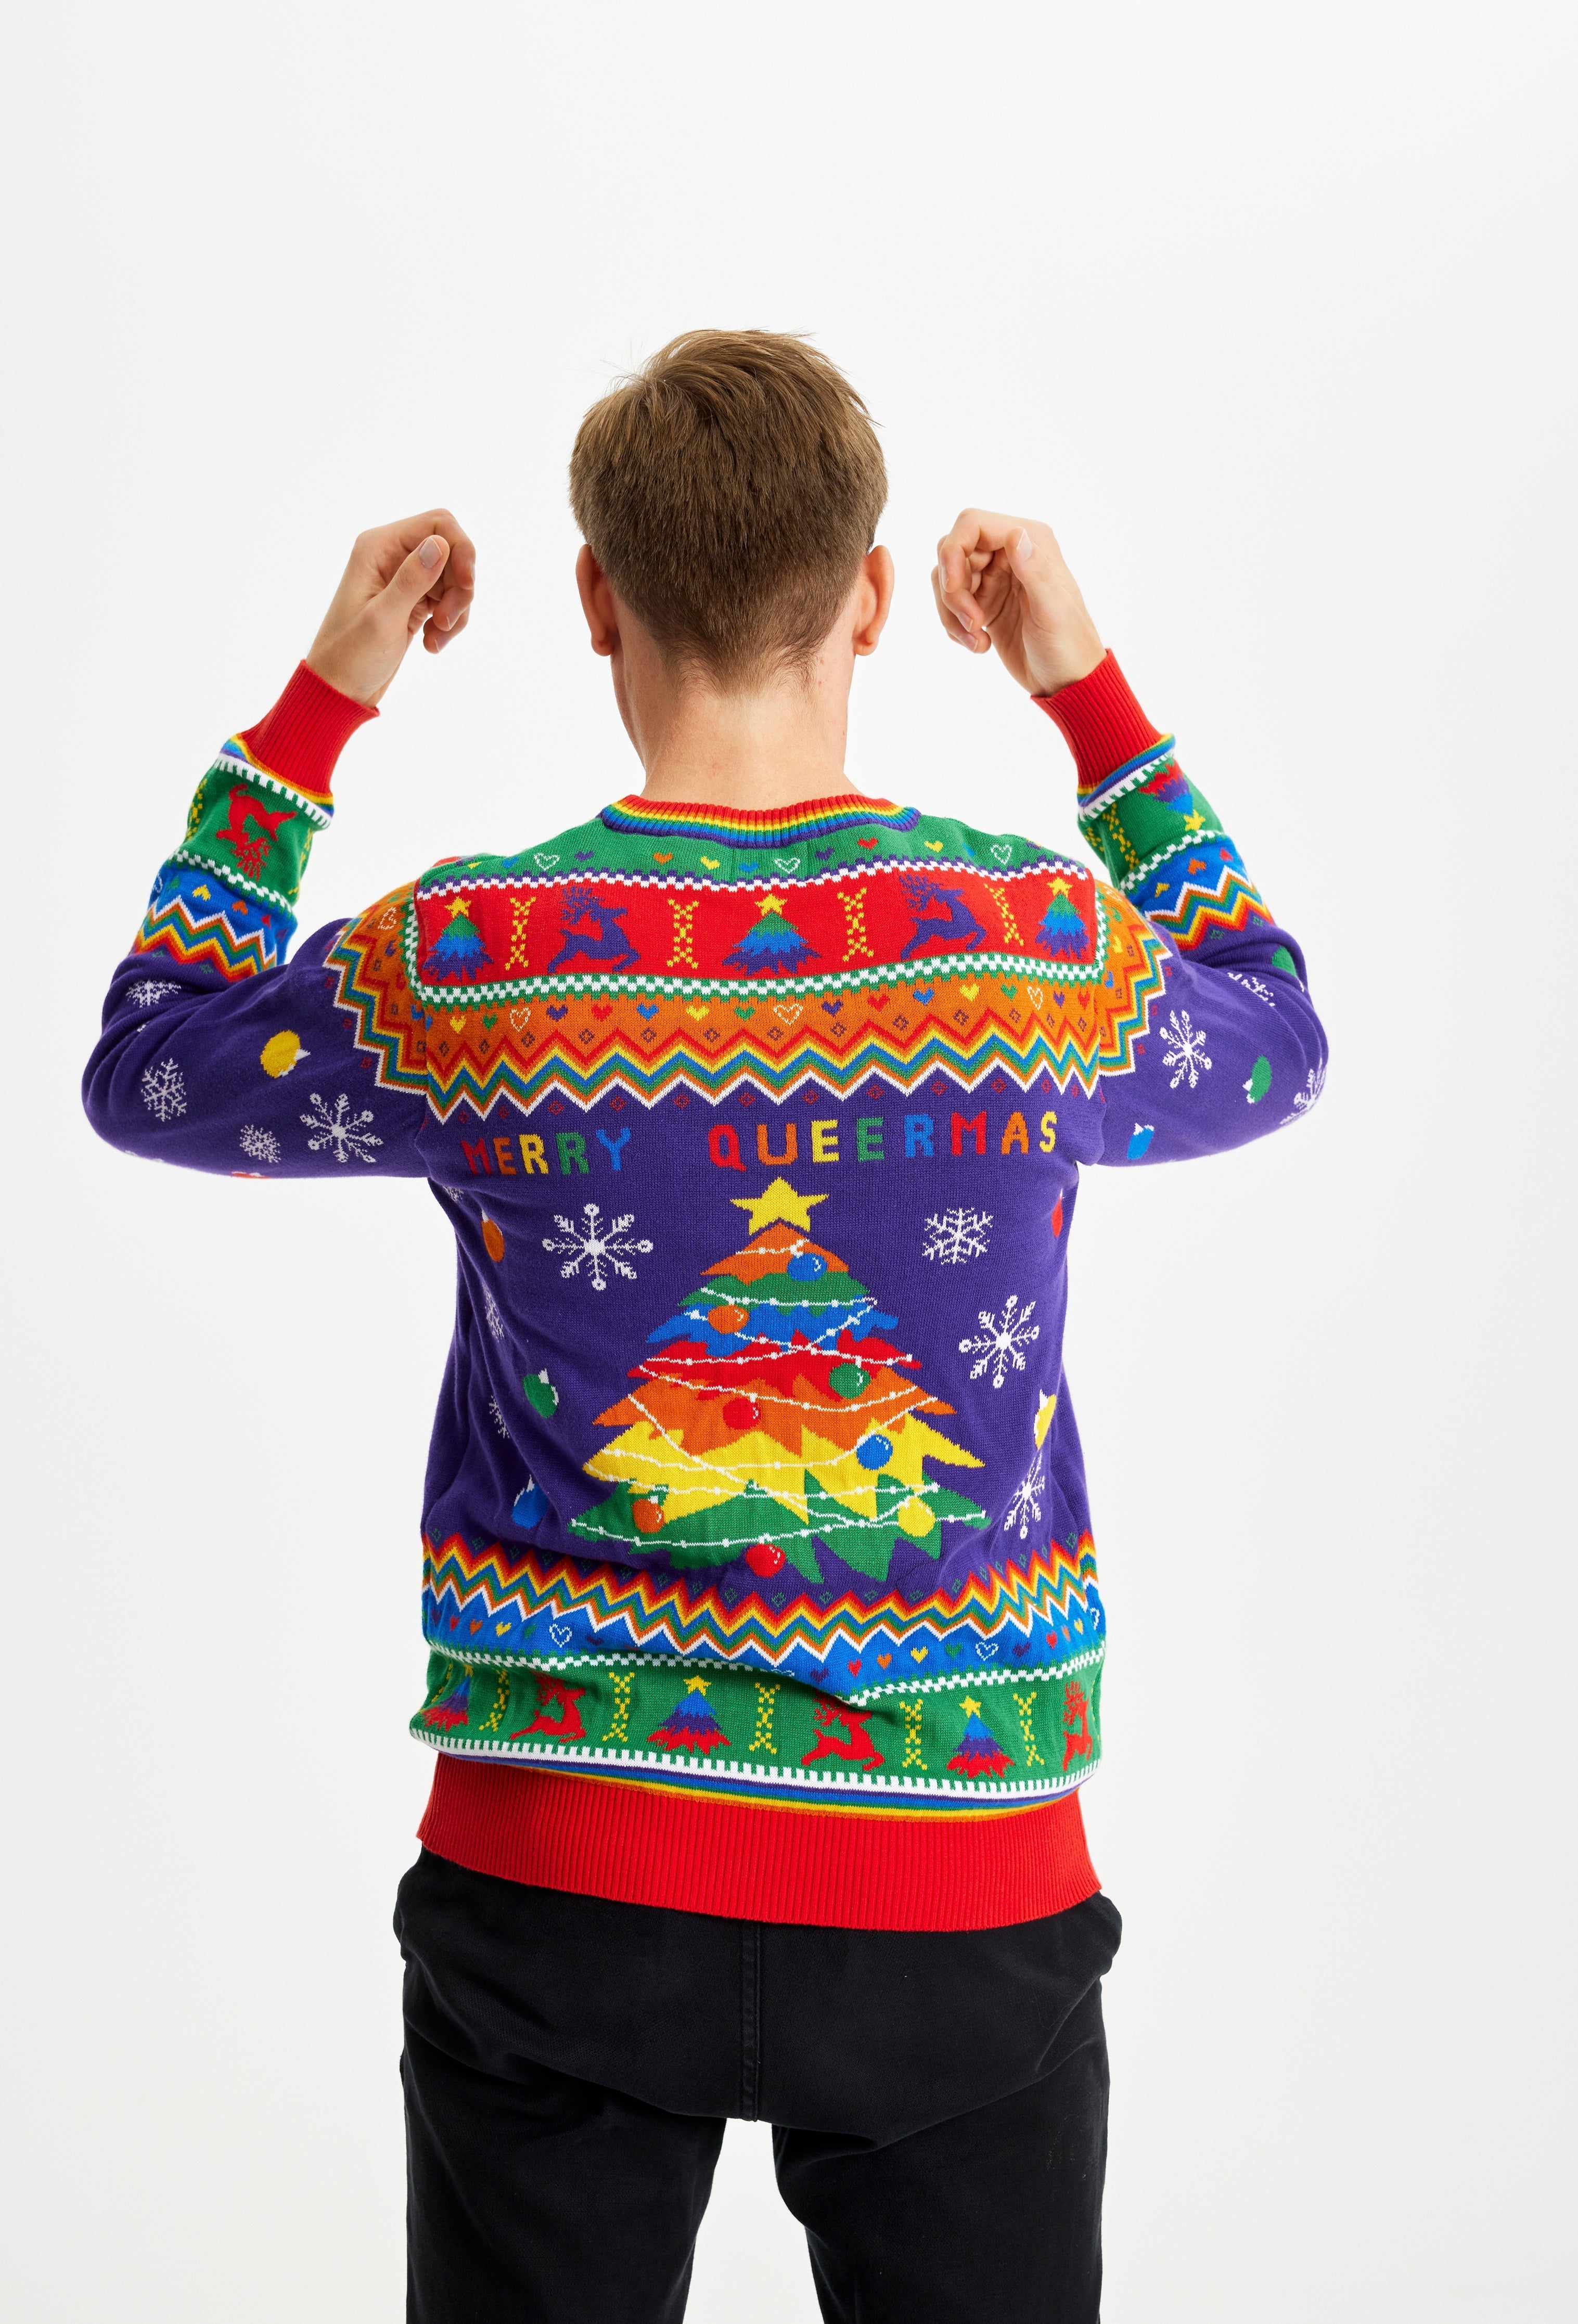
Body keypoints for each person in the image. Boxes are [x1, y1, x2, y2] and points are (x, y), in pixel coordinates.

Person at [83, 330, 1326, 2324]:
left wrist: (321, 705)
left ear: (596, 598)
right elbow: (1271, 1028)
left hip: (558, 1885)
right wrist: (1083, 689)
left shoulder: (472, 962)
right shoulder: (1037, 948)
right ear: (868, 596)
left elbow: (151, 1061)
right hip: (960, 1880)